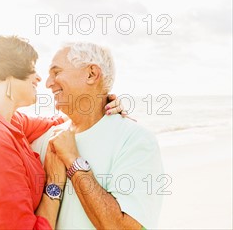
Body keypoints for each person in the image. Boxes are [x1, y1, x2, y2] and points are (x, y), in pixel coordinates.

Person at [0, 36, 123, 229]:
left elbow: (61, 121)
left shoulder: (9, 121)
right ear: (8, 74)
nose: (40, 79)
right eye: (32, 69)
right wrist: (54, 184)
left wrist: (103, 103)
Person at [31, 42, 164, 229]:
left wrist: (73, 161)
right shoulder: (44, 138)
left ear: (92, 74)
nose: (48, 83)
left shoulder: (136, 141)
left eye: (57, 72)